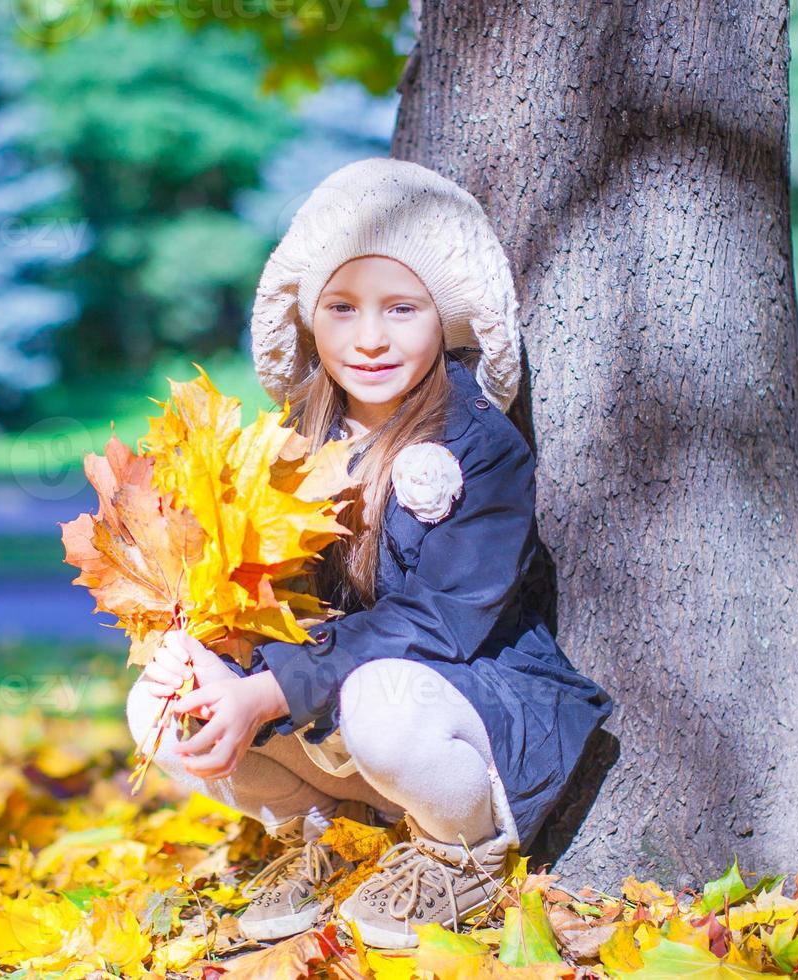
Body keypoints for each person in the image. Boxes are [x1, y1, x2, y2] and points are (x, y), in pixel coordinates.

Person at [126, 157, 613, 950]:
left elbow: (444, 621)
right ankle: (328, 833)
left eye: (401, 308)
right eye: (344, 308)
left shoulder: (480, 445)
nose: (371, 338)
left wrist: (268, 692)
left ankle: (462, 856)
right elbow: (261, 588)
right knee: (162, 700)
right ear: (311, 318)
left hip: (453, 704)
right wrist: (214, 648)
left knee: (379, 698)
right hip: (324, 700)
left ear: (443, 319)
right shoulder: (292, 437)